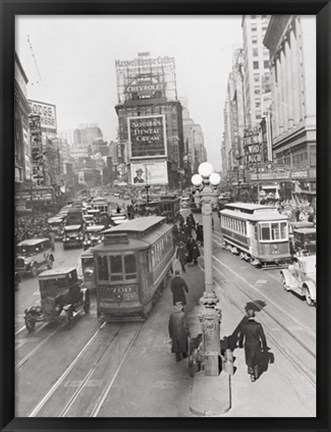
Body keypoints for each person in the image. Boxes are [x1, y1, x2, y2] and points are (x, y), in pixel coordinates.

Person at [238, 309, 267, 382]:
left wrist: (240, 344)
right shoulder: (258, 325)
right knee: (256, 359)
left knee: (249, 359)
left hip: (248, 345)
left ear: (247, 316)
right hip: (256, 345)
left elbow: (241, 336)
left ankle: (252, 374)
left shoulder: (244, 325)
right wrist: (264, 346)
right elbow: (262, 337)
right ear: (254, 316)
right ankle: (256, 373)